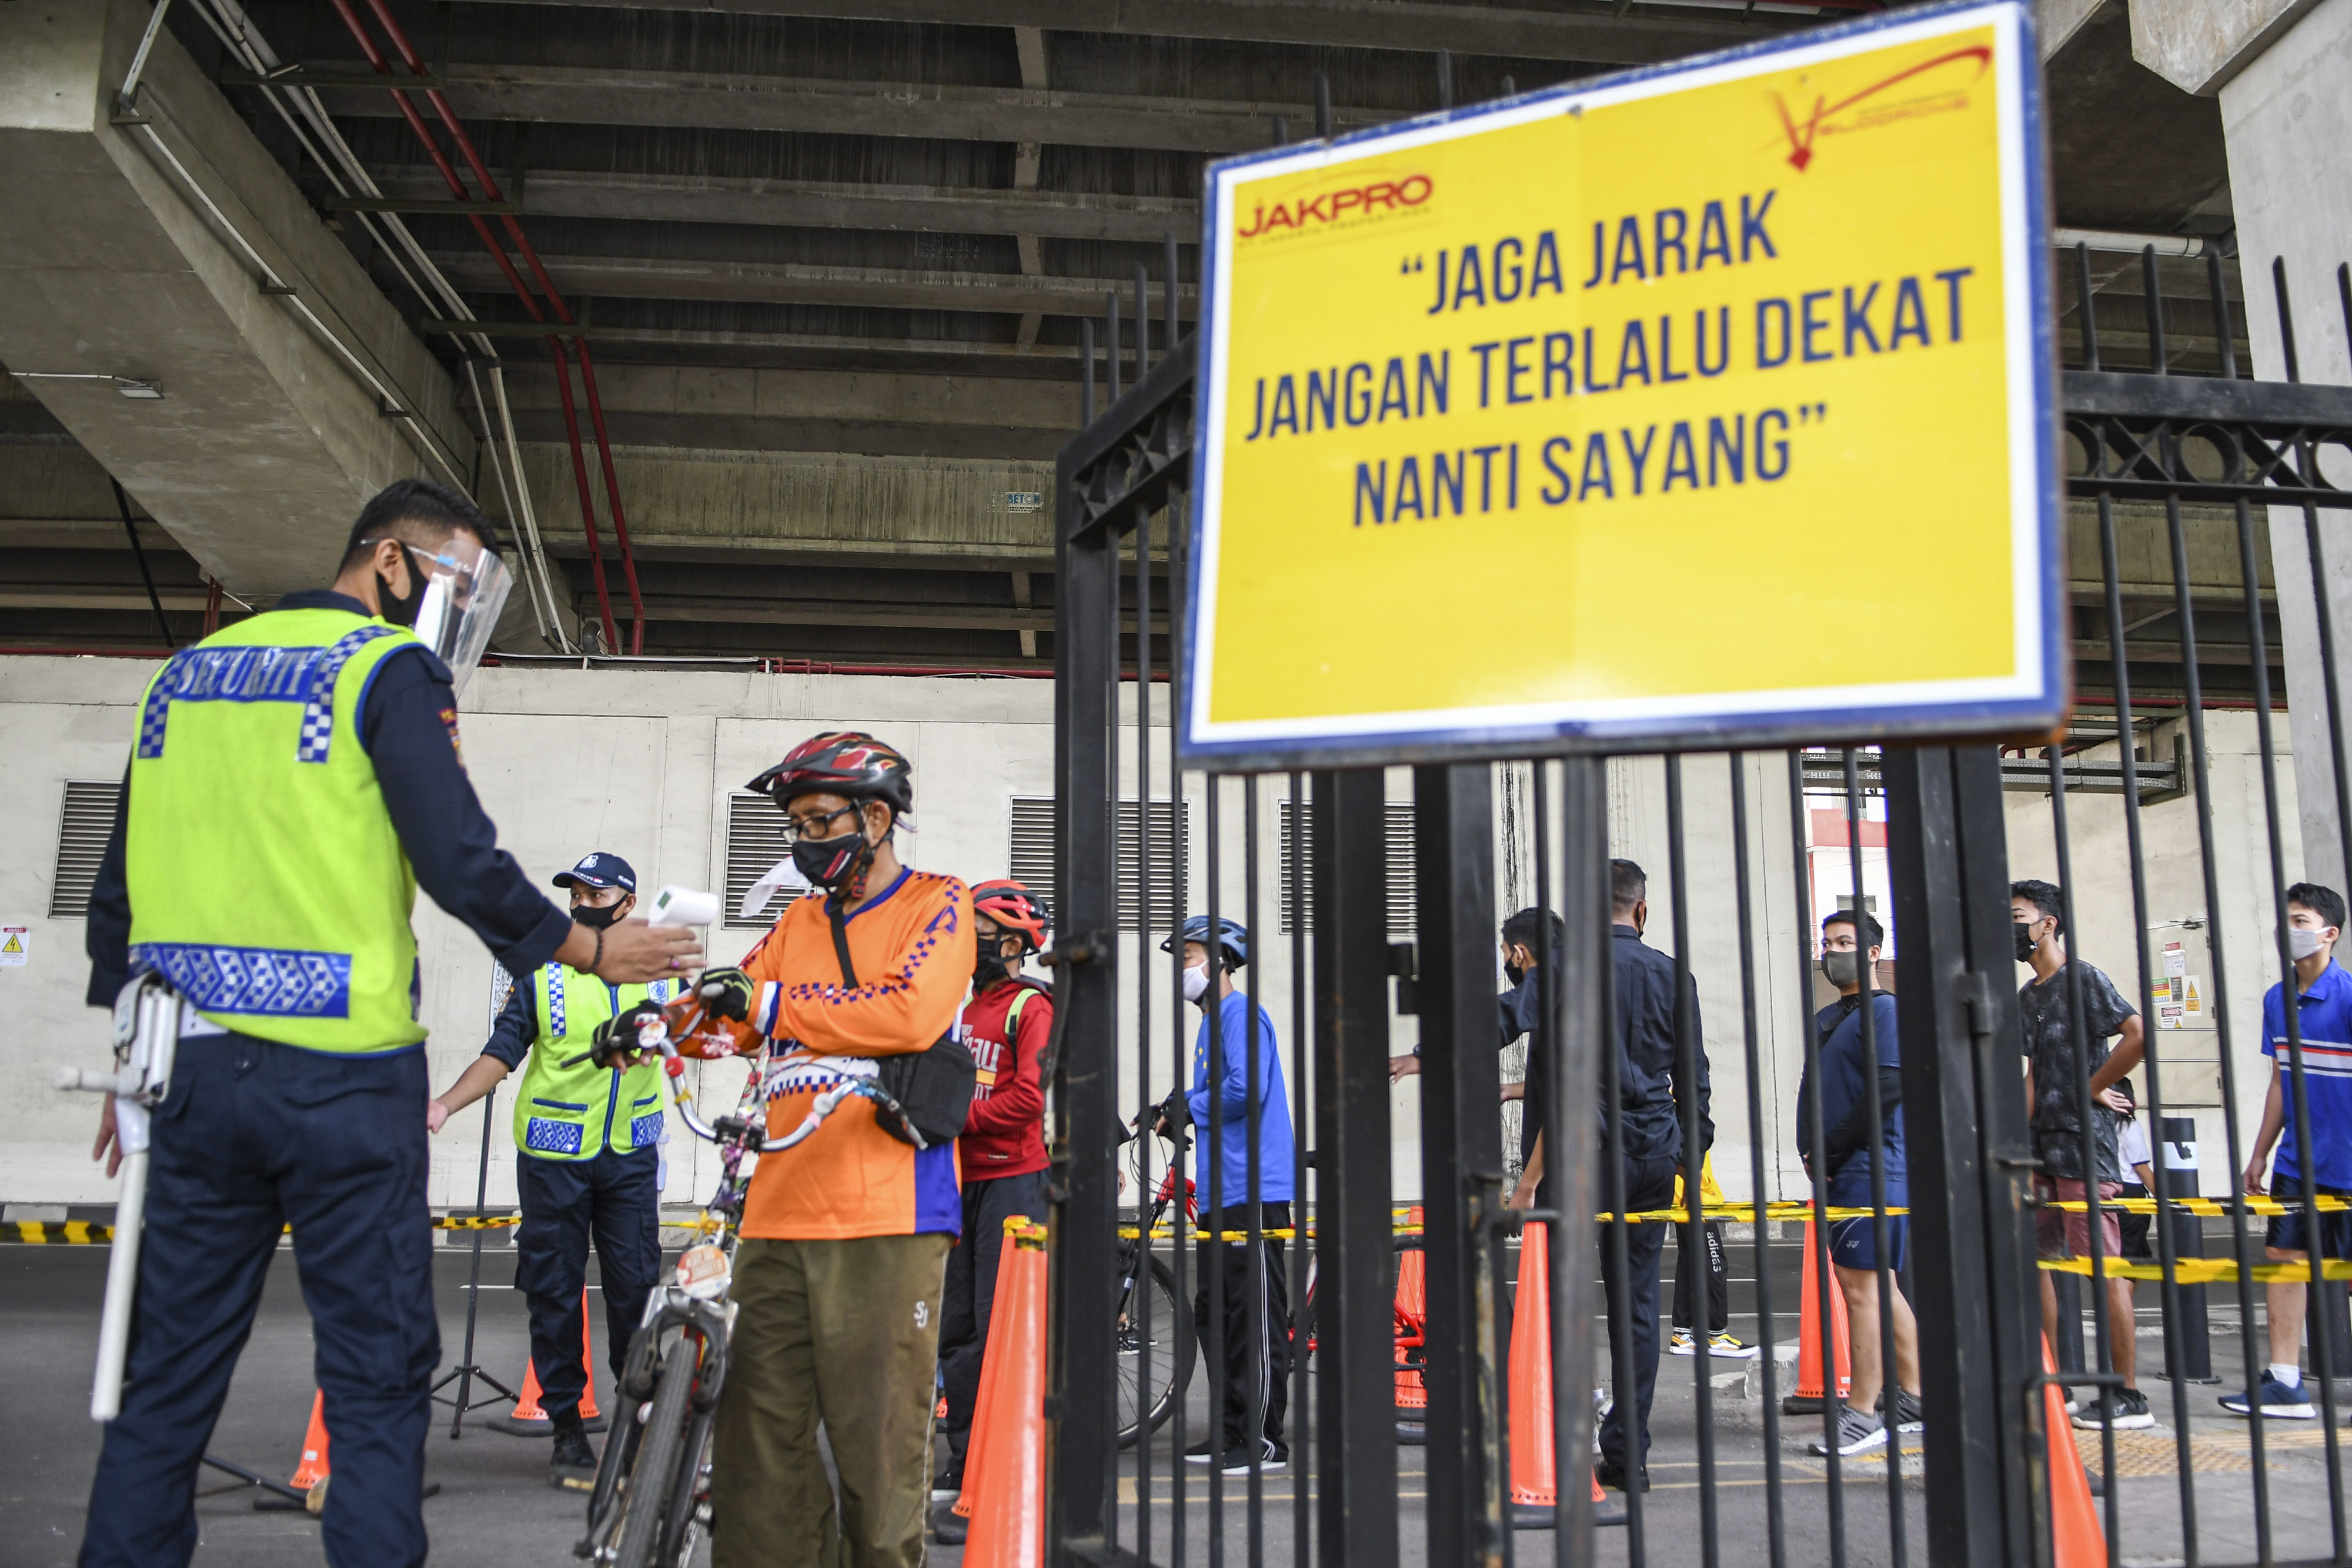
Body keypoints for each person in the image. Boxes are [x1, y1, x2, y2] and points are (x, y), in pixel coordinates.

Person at [75, 479, 698, 1568]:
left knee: (162, 1384)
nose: (453, 618)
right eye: (456, 583)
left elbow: (114, 897)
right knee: (373, 1378)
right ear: (392, 562)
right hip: (343, 1082)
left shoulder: (183, 678)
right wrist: (594, 947)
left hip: (194, 1081)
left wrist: (133, 1067)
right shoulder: (385, 669)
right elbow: (459, 858)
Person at [638, 731, 971, 1568]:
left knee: (878, 1447)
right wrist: (659, 1022)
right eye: (796, 824)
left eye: (820, 820)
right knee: (756, 1440)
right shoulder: (795, 920)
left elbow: (908, 1013)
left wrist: (774, 999)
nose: (805, 840)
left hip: (888, 1211)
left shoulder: (939, 901)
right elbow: (736, 1011)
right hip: (780, 1211)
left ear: (877, 815)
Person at [425, 850, 674, 1483]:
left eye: (594, 895)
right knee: (555, 1293)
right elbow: (501, 1051)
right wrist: (445, 1104)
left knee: (636, 1292)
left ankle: (638, 1410)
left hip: (629, 1159)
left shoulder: (661, 974)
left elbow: (702, 1033)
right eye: (575, 893)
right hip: (553, 1159)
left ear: (625, 903)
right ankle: (567, 1427)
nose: (579, 904)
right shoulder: (541, 971)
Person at [1512, 860, 1710, 1493]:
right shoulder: (1673, 974)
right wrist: (1687, 1153)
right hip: (1653, 1155)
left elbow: (1505, 1016)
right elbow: (1694, 1078)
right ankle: (1629, 1455)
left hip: (1582, 1156)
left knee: (1562, 1299)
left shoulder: (1566, 967)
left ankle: (1561, 1437)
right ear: (1641, 911)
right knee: (1638, 1307)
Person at [1154, 915, 1295, 1475]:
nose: (1182, 970)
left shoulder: (1242, 1015)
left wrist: (1192, 1103)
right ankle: (1231, 1430)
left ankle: (1264, 1441)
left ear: (1219, 961)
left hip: (1253, 1189)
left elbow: (1244, 1089)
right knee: (1217, 1315)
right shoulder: (1210, 1028)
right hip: (1219, 1191)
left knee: (1254, 1316)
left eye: (1187, 958)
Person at [2013, 878, 2153, 1430]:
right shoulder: (2029, 997)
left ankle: (2128, 1395)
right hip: (2040, 1147)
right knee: (2041, 1263)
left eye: (2019, 914)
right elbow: (2032, 1076)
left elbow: (2137, 1035)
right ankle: (2060, 1384)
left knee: (2102, 1265)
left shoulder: (2084, 979)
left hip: (2083, 1146)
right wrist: (2015, 1141)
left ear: (2048, 923)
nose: (2011, 925)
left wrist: (2093, 1084)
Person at [934, 878, 1054, 1501]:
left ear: (1009, 941)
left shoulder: (1029, 1007)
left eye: (976, 929)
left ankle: (1007, 1460)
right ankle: (962, 1458)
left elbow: (1029, 1098)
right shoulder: (960, 1005)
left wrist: (959, 1119)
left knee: (999, 1328)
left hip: (1012, 1183)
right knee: (957, 1328)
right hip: (958, 1181)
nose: (965, 939)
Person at [1796, 909, 1923, 1457]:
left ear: (1874, 951)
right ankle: (1916, 1396)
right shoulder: (1839, 1015)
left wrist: (1828, 1148)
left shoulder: (1887, 1011)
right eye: (1827, 942)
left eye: (1845, 941)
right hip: (1851, 1170)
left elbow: (1888, 1090)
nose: (1832, 951)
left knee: (1862, 1291)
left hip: (1869, 1170)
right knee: (1879, 1288)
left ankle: (1865, 1411)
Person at [2226, 882, 2352, 1420]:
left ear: (2330, 933)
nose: (2289, 930)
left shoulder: (2348, 997)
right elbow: (2281, 1079)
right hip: (2299, 1162)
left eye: (2300, 920)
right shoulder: (2279, 999)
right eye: (2285, 920)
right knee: (2284, 1261)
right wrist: (2260, 1152)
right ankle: (2284, 1381)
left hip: (2348, 1162)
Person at [1669, 1153, 1756, 1359]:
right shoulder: (1685, 1120)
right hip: (1692, 1196)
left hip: (1687, 1194)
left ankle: (1682, 1334)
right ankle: (1716, 1335)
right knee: (1715, 1263)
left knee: (1690, 1263)